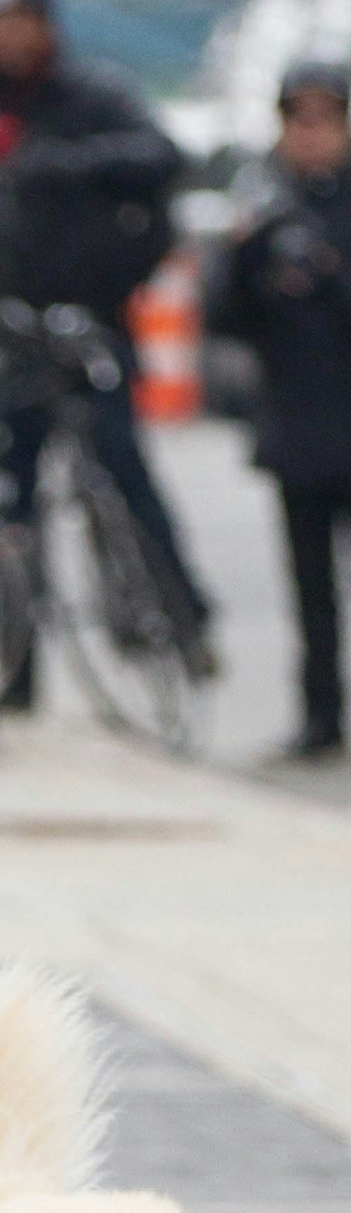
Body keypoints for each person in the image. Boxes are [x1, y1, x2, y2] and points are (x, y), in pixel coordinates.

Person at [0, 0, 215, 702]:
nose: (8, 37)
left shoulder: (91, 95)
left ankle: (181, 617)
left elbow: (162, 155)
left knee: (122, 470)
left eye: (22, 22)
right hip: (5, 328)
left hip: (89, 323)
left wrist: (64, 166)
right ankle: (17, 669)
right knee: (12, 499)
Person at [205, 62, 351, 760]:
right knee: (309, 588)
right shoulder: (267, 205)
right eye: (299, 120)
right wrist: (248, 252)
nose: (312, 135)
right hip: (298, 424)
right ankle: (321, 714)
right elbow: (226, 317)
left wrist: (329, 271)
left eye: (326, 119)